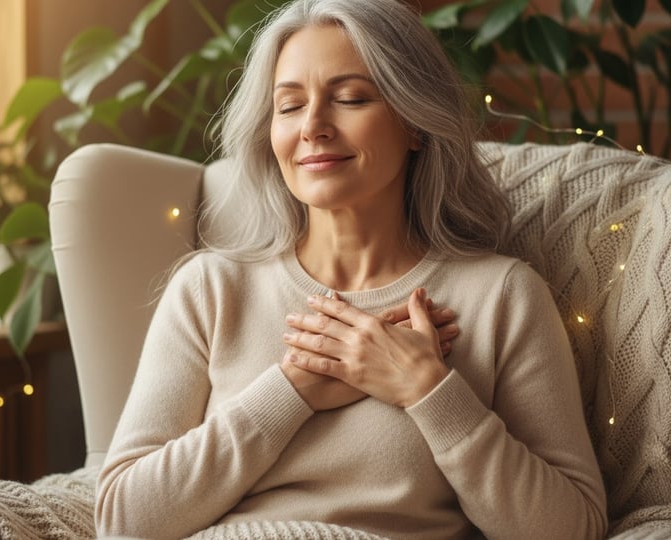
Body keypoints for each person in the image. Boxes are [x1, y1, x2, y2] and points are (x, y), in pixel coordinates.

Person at [95, 0, 608, 538]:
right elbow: (122, 520)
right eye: (289, 106)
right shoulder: (209, 289)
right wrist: (290, 393)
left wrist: (429, 391)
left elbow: (573, 528)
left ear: (415, 122)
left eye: (349, 98)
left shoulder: (503, 296)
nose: (313, 127)